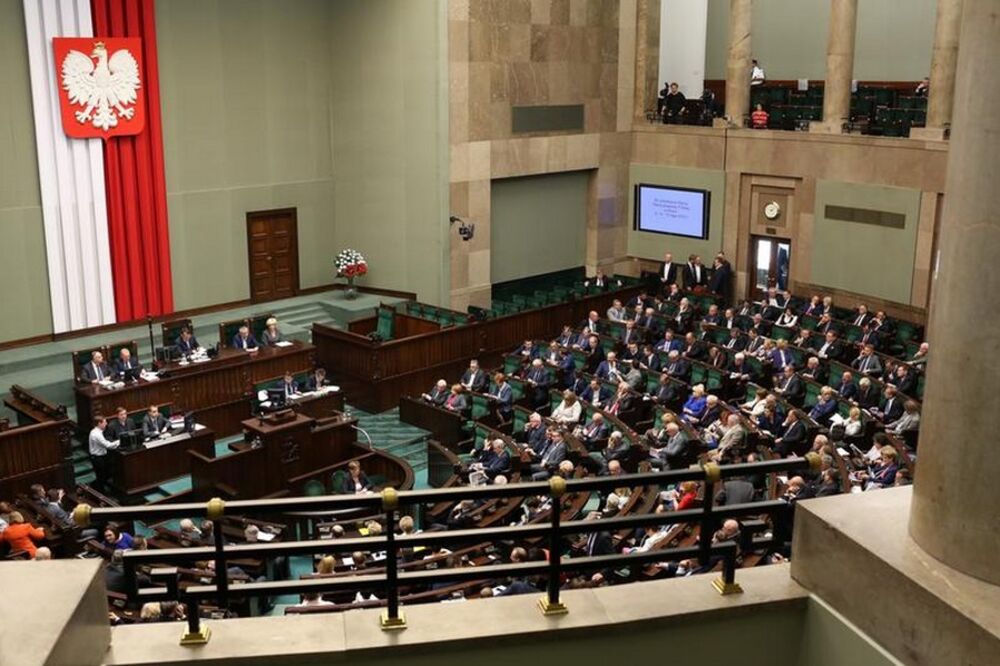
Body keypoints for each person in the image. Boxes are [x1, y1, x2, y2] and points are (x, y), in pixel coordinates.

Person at [89, 415, 120, 490]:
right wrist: (119, 441)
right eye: (105, 422)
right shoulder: (96, 434)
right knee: (101, 477)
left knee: (106, 474)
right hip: (97, 458)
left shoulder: (98, 432)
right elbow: (108, 445)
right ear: (99, 423)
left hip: (101, 457)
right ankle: (99, 492)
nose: (106, 424)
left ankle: (94, 487)